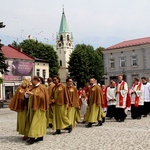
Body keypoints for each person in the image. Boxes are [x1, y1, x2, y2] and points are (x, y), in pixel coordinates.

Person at [25, 76, 49, 144]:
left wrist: (32, 94)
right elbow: (27, 95)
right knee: (35, 122)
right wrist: (27, 93)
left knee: (35, 123)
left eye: (32, 81)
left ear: (36, 80)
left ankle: (32, 138)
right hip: (32, 107)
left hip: (39, 108)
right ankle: (40, 136)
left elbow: (42, 97)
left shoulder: (42, 87)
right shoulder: (33, 87)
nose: (31, 82)